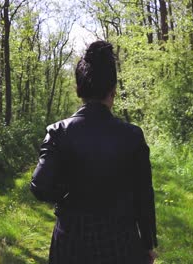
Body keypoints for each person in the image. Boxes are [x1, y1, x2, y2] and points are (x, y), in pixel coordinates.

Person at [30, 40, 158, 264]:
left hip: (71, 241)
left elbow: (40, 187)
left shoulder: (58, 132)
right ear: (113, 90)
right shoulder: (132, 136)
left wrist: (69, 195)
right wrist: (147, 244)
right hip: (121, 243)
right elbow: (144, 197)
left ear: (79, 89)